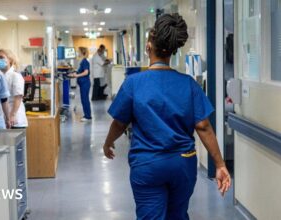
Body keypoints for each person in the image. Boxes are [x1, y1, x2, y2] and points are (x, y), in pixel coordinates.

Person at [103, 13, 231, 220]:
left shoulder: (134, 84)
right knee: (178, 215)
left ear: (148, 47)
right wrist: (220, 164)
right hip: (183, 164)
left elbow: (119, 123)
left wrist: (108, 143)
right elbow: (204, 126)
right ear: (173, 50)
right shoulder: (188, 83)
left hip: (148, 164)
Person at [0, 49, 28, 129]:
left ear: (10, 60)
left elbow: (18, 97)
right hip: (4, 118)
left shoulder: (15, 75)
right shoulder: (0, 75)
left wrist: (12, 115)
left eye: (1, 57)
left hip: (14, 119)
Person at [69, 47, 92, 122]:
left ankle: (88, 116)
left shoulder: (85, 61)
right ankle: (87, 115)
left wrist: (76, 75)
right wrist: (74, 73)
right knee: (84, 99)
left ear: (82, 52)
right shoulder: (82, 61)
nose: (77, 53)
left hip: (85, 83)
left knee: (85, 100)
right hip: (83, 83)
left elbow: (86, 72)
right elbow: (81, 71)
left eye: (78, 51)